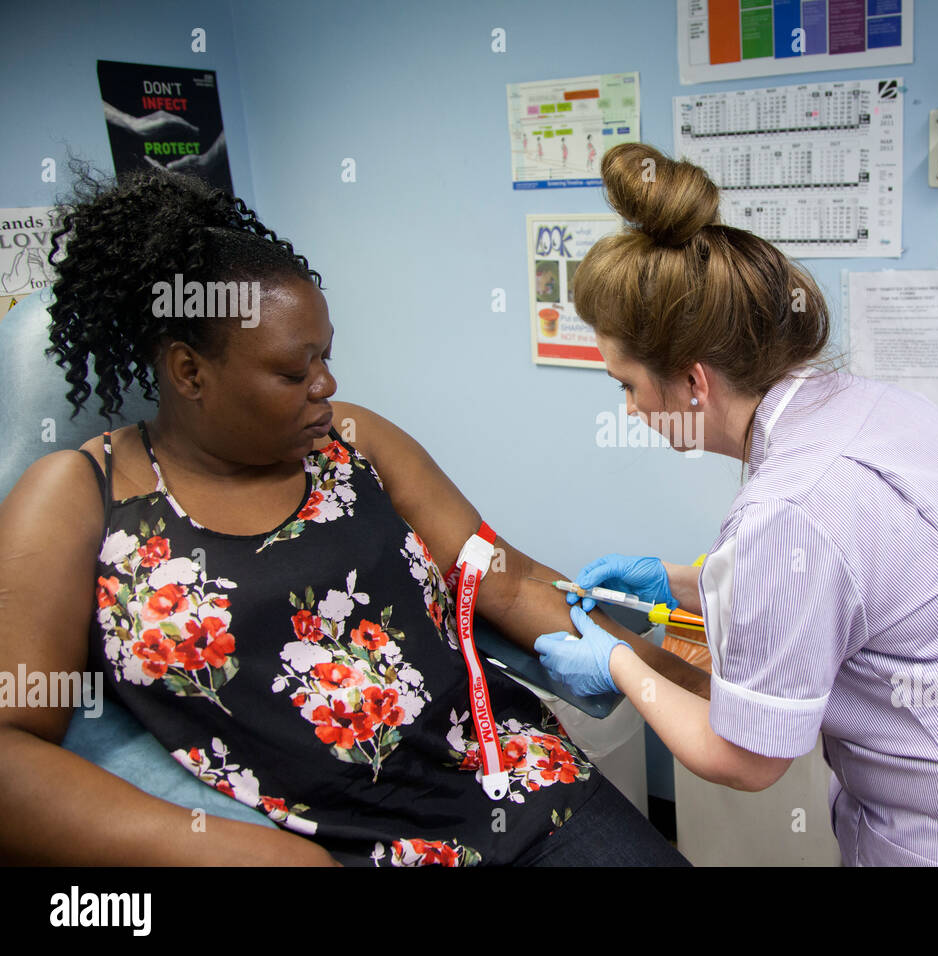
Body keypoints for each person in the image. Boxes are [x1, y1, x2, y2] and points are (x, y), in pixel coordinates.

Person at [0, 165, 694, 866]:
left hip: (517, 775)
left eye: (325, 358)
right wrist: (242, 854)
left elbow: (505, 581)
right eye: (294, 372)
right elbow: (11, 750)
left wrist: (693, 687)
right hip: (343, 845)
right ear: (188, 372)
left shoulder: (355, 443)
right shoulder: (79, 497)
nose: (326, 385)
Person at [533, 143, 938, 866]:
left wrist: (619, 662)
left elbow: (749, 760)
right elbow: (860, 585)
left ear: (694, 384)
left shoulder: (790, 504)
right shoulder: (874, 411)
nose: (630, 410)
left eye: (627, 385)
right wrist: (678, 579)